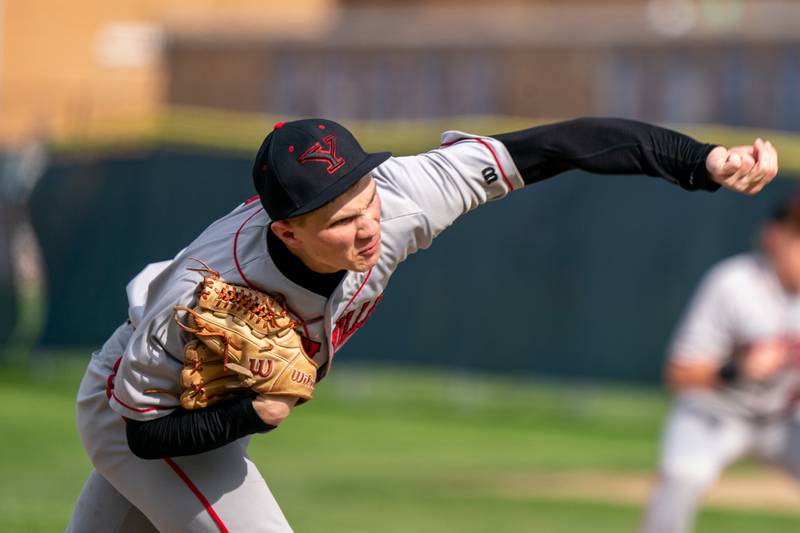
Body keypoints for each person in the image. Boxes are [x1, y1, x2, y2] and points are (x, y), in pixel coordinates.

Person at [66, 117, 777, 532]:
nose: (367, 224)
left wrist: (701, 162)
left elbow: (557, 146)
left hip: (193, 408)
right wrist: (253, 413)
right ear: (286, 232)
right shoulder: (201, 295)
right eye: (341, 220)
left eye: (364, 196)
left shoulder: (403, 194)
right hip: (147, 408)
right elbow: (140, 435)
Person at [641, 194, 800, 533]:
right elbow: (679, 373)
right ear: (774, 236)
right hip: (716, 414)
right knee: (680, 478)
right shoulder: (733, 283)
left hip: (782, 422)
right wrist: (737, 369)